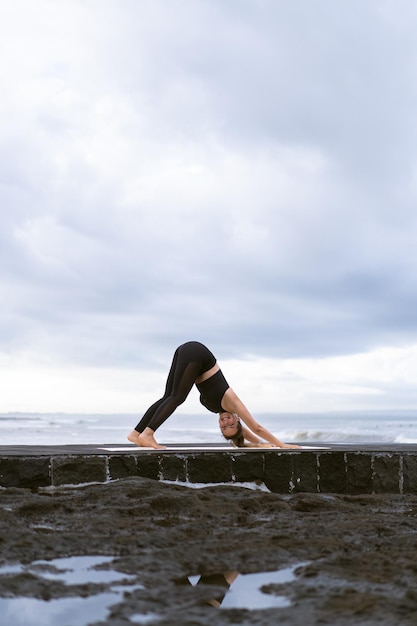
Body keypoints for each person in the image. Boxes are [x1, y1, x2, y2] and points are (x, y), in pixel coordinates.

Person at [127, 340, 299, 449]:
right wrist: (281, 445)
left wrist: (258, 444)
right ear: (238, 420)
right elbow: (256, 427)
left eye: (224, 427)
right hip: (197, 353)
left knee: (169, 397)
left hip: (188, 352)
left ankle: (136, 433)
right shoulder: (233, 402)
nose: (226, 422)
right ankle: (148, 434)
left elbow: (241, 432)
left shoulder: (216, 408)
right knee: (177, 397)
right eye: (230, 424)